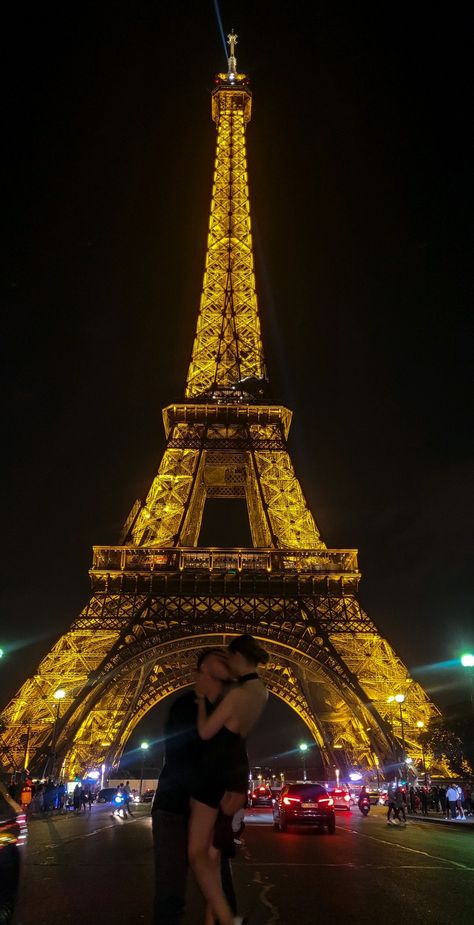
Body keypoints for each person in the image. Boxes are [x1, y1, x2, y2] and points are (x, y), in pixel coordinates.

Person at [151, 648, 241, 925]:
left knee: (219, 888)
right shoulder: (184, 707)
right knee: (171, 890)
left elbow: (237, 758)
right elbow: (180, 759)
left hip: (205, 807)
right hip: (176, 809)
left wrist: (238, 790)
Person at [188, 634, 269, 925]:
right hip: (235, 773)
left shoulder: (235, 694)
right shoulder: (261, 692)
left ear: (237, 657)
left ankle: (226, 917)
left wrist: (199, 701)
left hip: (213, 771)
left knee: (197, 853)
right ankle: (215, 920)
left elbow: (207, 732)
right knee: (213, 857)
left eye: (229, 657)